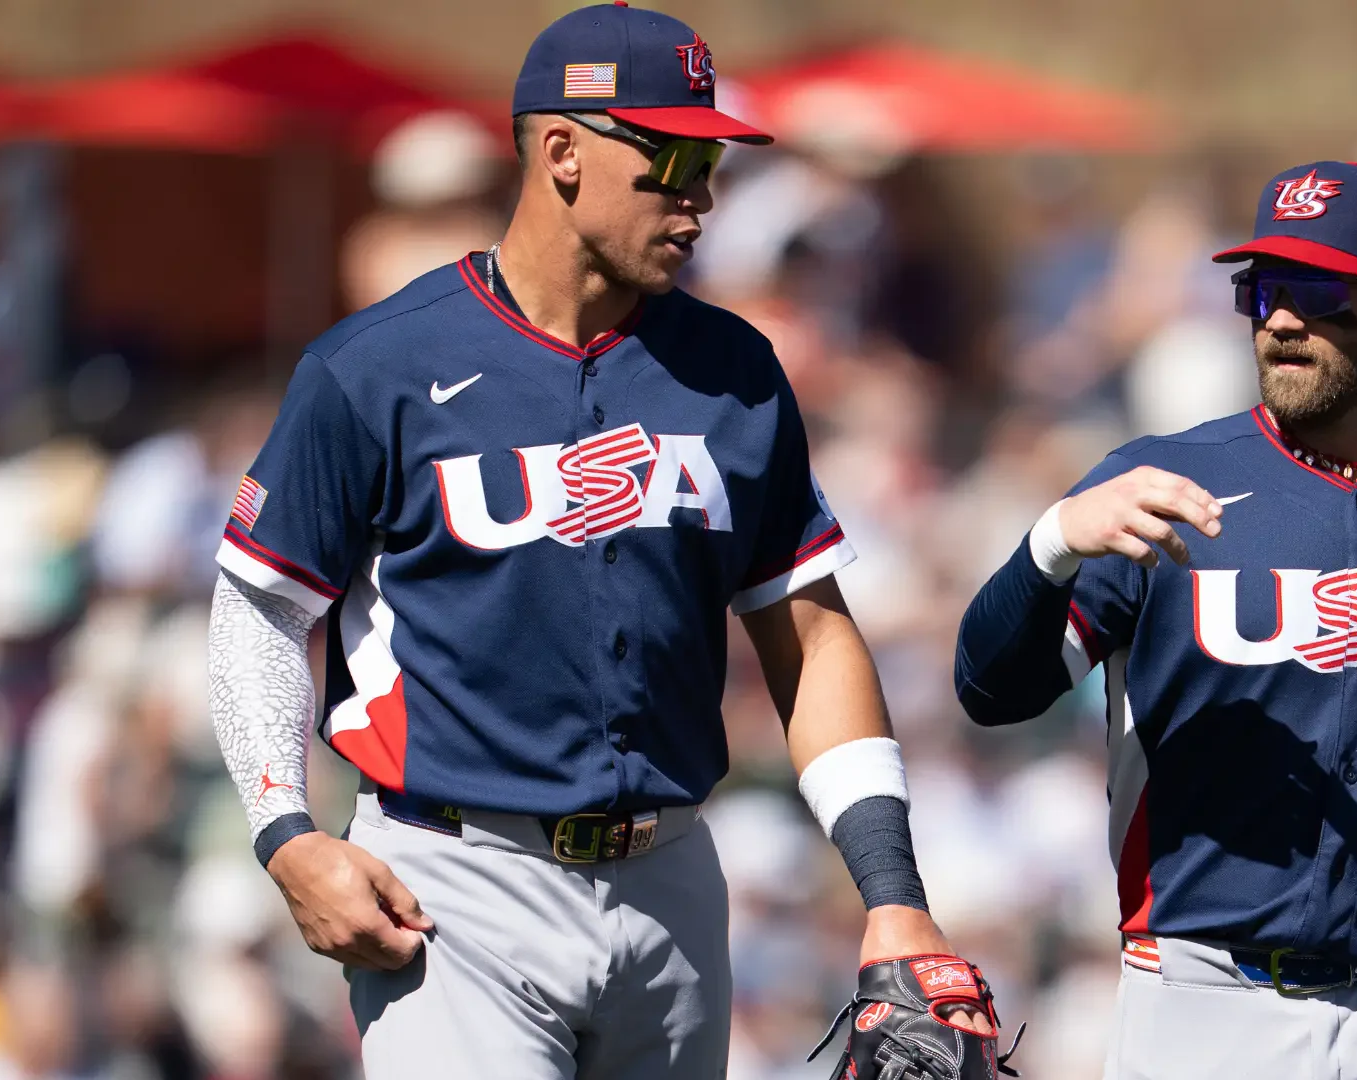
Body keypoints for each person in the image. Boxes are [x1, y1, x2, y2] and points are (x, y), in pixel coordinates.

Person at [206, 7, 1002, 1079]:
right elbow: (262, 609)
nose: (701, 195)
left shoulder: (736, 371)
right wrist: (285, 832)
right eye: (669, 156)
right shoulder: (379, 365)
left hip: (673, 879)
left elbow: (810, 640)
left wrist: (893, 896)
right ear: (562, 151)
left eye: (710, 159)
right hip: (456, 882)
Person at [954, 161, 1357, 1079]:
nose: (1280, 318)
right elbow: (989, 690)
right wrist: (1052, 541)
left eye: (1316, 290)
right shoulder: (1156, 483)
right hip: (1199, 998)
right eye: (1262, 289)